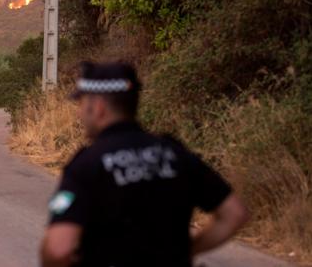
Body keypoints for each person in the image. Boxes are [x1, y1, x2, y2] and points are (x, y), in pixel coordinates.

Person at [40, 61, 249, 267]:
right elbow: (234, 214)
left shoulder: (87, 164)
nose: (79, 113)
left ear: (99, 107)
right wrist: (186, 251)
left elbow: (59, 250)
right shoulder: (173, 153)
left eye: (82, 104)